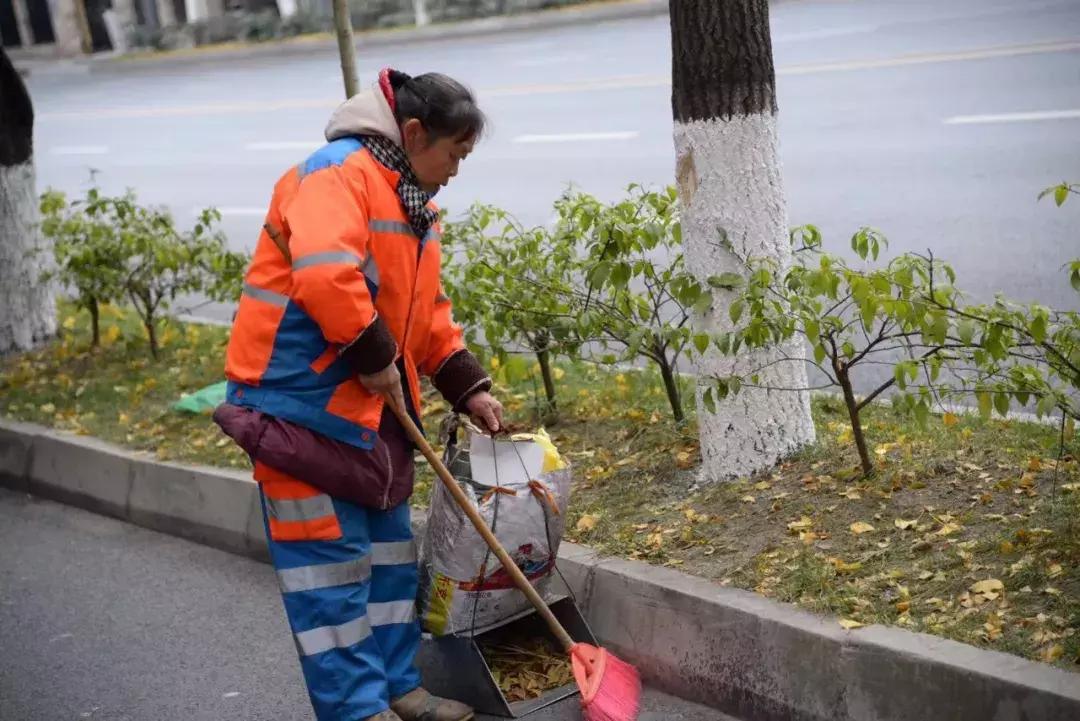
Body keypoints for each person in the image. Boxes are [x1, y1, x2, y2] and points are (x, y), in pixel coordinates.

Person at [214, 68, 502, 721]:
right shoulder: (335, 175)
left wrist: (468, 388)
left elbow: (426, 314)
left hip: (371, 419)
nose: (456, 170)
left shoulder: (413, 204)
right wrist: (373, 357)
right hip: (298, 411)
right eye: (454, 153)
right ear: (414, 133)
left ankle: (401, 689)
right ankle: (355, 708)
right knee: (330, 576)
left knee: (390, 565)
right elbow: (325, 276)